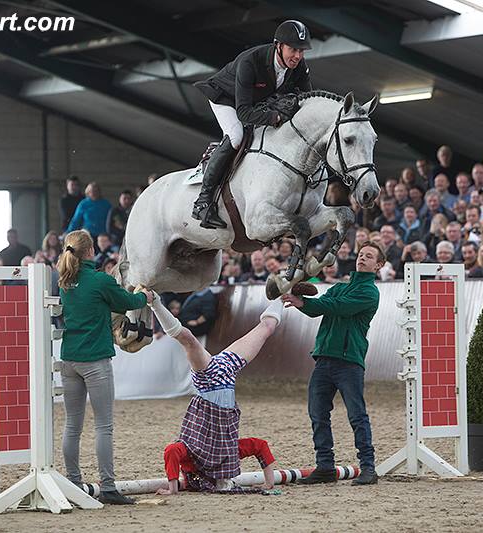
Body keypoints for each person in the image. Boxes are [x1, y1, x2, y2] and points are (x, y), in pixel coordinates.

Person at [57, 229, 154, 505]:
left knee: (72, 425)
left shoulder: (64, 281)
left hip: (69, 359)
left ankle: (74, 481)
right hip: (95, 360)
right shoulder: (99, 280)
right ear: (90, 252)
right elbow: (129, 301)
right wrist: (145, 296)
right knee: (104, 426)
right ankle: (108, 486)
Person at [150, 295, 284, 495]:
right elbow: (260, 446)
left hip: (207, 379)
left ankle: (155, 303)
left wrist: (172, 488)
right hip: (228, 371)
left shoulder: (197, 455)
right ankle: (283, 297)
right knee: (266, 329)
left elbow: (172, 451)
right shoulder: (229, 452)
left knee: (188, 340)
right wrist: (269, 482)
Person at [191, 20, 313, 229]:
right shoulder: (251, 61)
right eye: (293, 49)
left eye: (301, 51)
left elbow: (307, 99)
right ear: (278, 45)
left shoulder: (298, 65)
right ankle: (203, 201)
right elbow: (244, 112)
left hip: (256, 102)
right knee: (237, 136)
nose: (298, 56)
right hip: (225, 99)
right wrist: (273, 117)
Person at [281, 242, 384, 486]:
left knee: (357, 415)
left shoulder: (369, 293)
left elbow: (337, 308)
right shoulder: (339, 288)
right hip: (325, 358)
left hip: (349, 361)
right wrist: (301, 302)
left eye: (369, 257)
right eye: (361, 254)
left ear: (379, 265)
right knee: (317, 414)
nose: (362, 258)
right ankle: (325, 466)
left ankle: (368, 468)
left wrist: (302, 302)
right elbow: (320, 309)